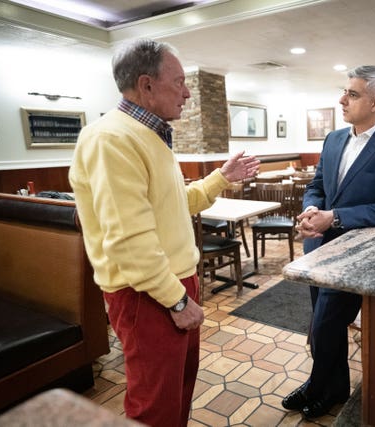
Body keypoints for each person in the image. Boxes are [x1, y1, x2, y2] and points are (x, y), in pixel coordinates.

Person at [68, 39, 259, 427]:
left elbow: (173, 202)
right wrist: (176, 301)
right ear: (147, 85)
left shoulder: (148, 134)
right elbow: (128, 241)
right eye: (179, 81)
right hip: (147, 293)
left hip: (168, 284)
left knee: (178, 391)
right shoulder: (112, 138)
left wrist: (221, 177)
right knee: (155, 403)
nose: (188, 92)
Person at [282, 65, 375, 418]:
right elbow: (318, 187)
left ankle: (317, 384)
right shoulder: (333, 139)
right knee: (324, 322)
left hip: (356, 255)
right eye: (344, 91)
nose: (342, 99)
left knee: (325, 323)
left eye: (352, 94)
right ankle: (336, 385)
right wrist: (313, 209)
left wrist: (335, 217)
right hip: (318, 247)